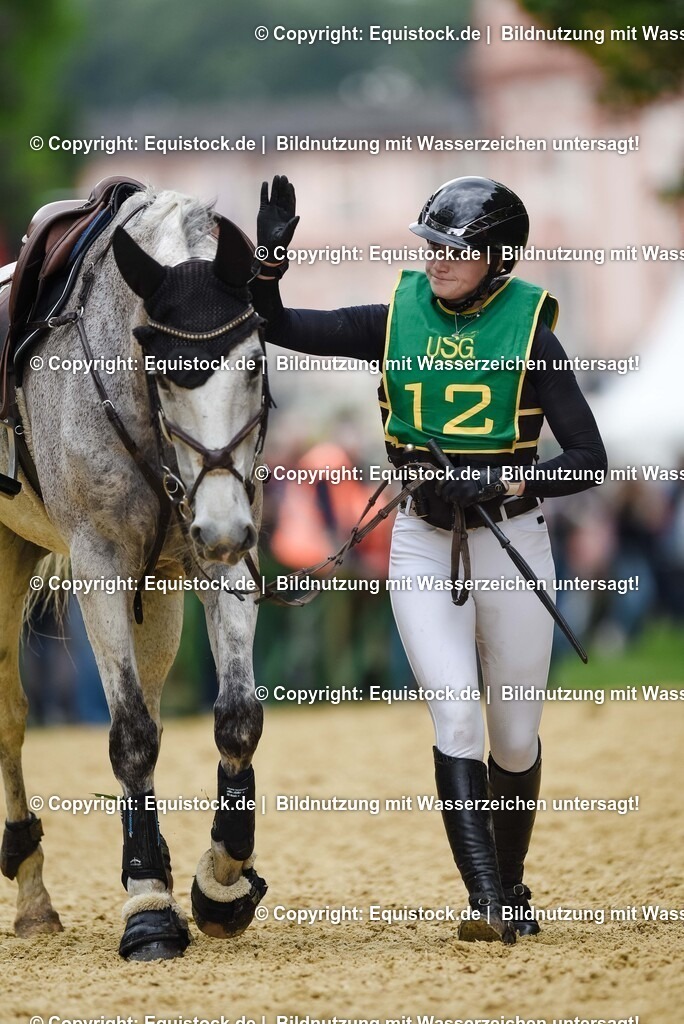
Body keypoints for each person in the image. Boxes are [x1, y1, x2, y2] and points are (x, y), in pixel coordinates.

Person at [251, 175, 607, 945]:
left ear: (498, 259)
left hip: (512, 542)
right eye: (433, 246)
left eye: (457, 250)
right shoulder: (393, 318)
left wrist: (507, 474)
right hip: (419, 539)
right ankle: (486, 901)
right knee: (454, 714)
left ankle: (510, 886)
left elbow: (588, 456)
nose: (438, 261)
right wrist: (270, 259)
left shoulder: (533, 334)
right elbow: (272, 323)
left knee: (513, 737)